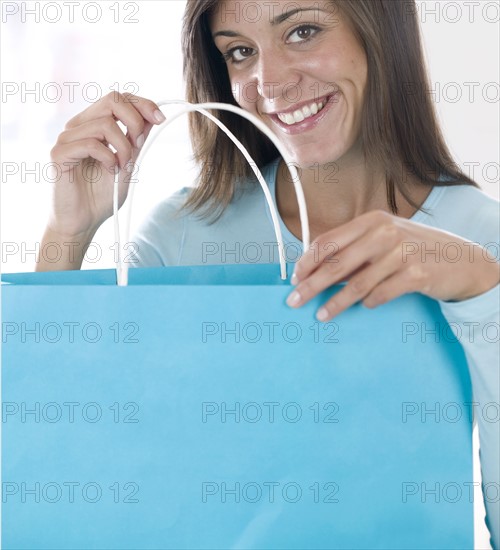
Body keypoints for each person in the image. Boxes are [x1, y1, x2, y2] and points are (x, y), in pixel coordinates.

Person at [38, 0, 499, 546]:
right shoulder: (184, 231)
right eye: (240, 51)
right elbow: (62, 456)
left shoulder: (480, 238)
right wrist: (67, 234)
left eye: (303, 31)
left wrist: (482, 288)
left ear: (381, 36)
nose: (269, 80)